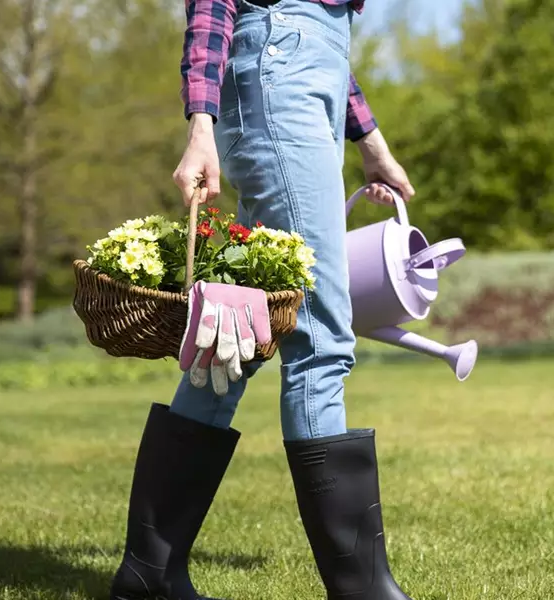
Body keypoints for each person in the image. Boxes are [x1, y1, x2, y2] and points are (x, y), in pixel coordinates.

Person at [107, 1, 417, 599]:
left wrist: (369, 138)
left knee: (235, 338)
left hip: (313, 67)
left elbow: (315, 20)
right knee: (319, 339)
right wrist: (201, 125)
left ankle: (151, 573)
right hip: (279, 74)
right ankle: (361, 590)